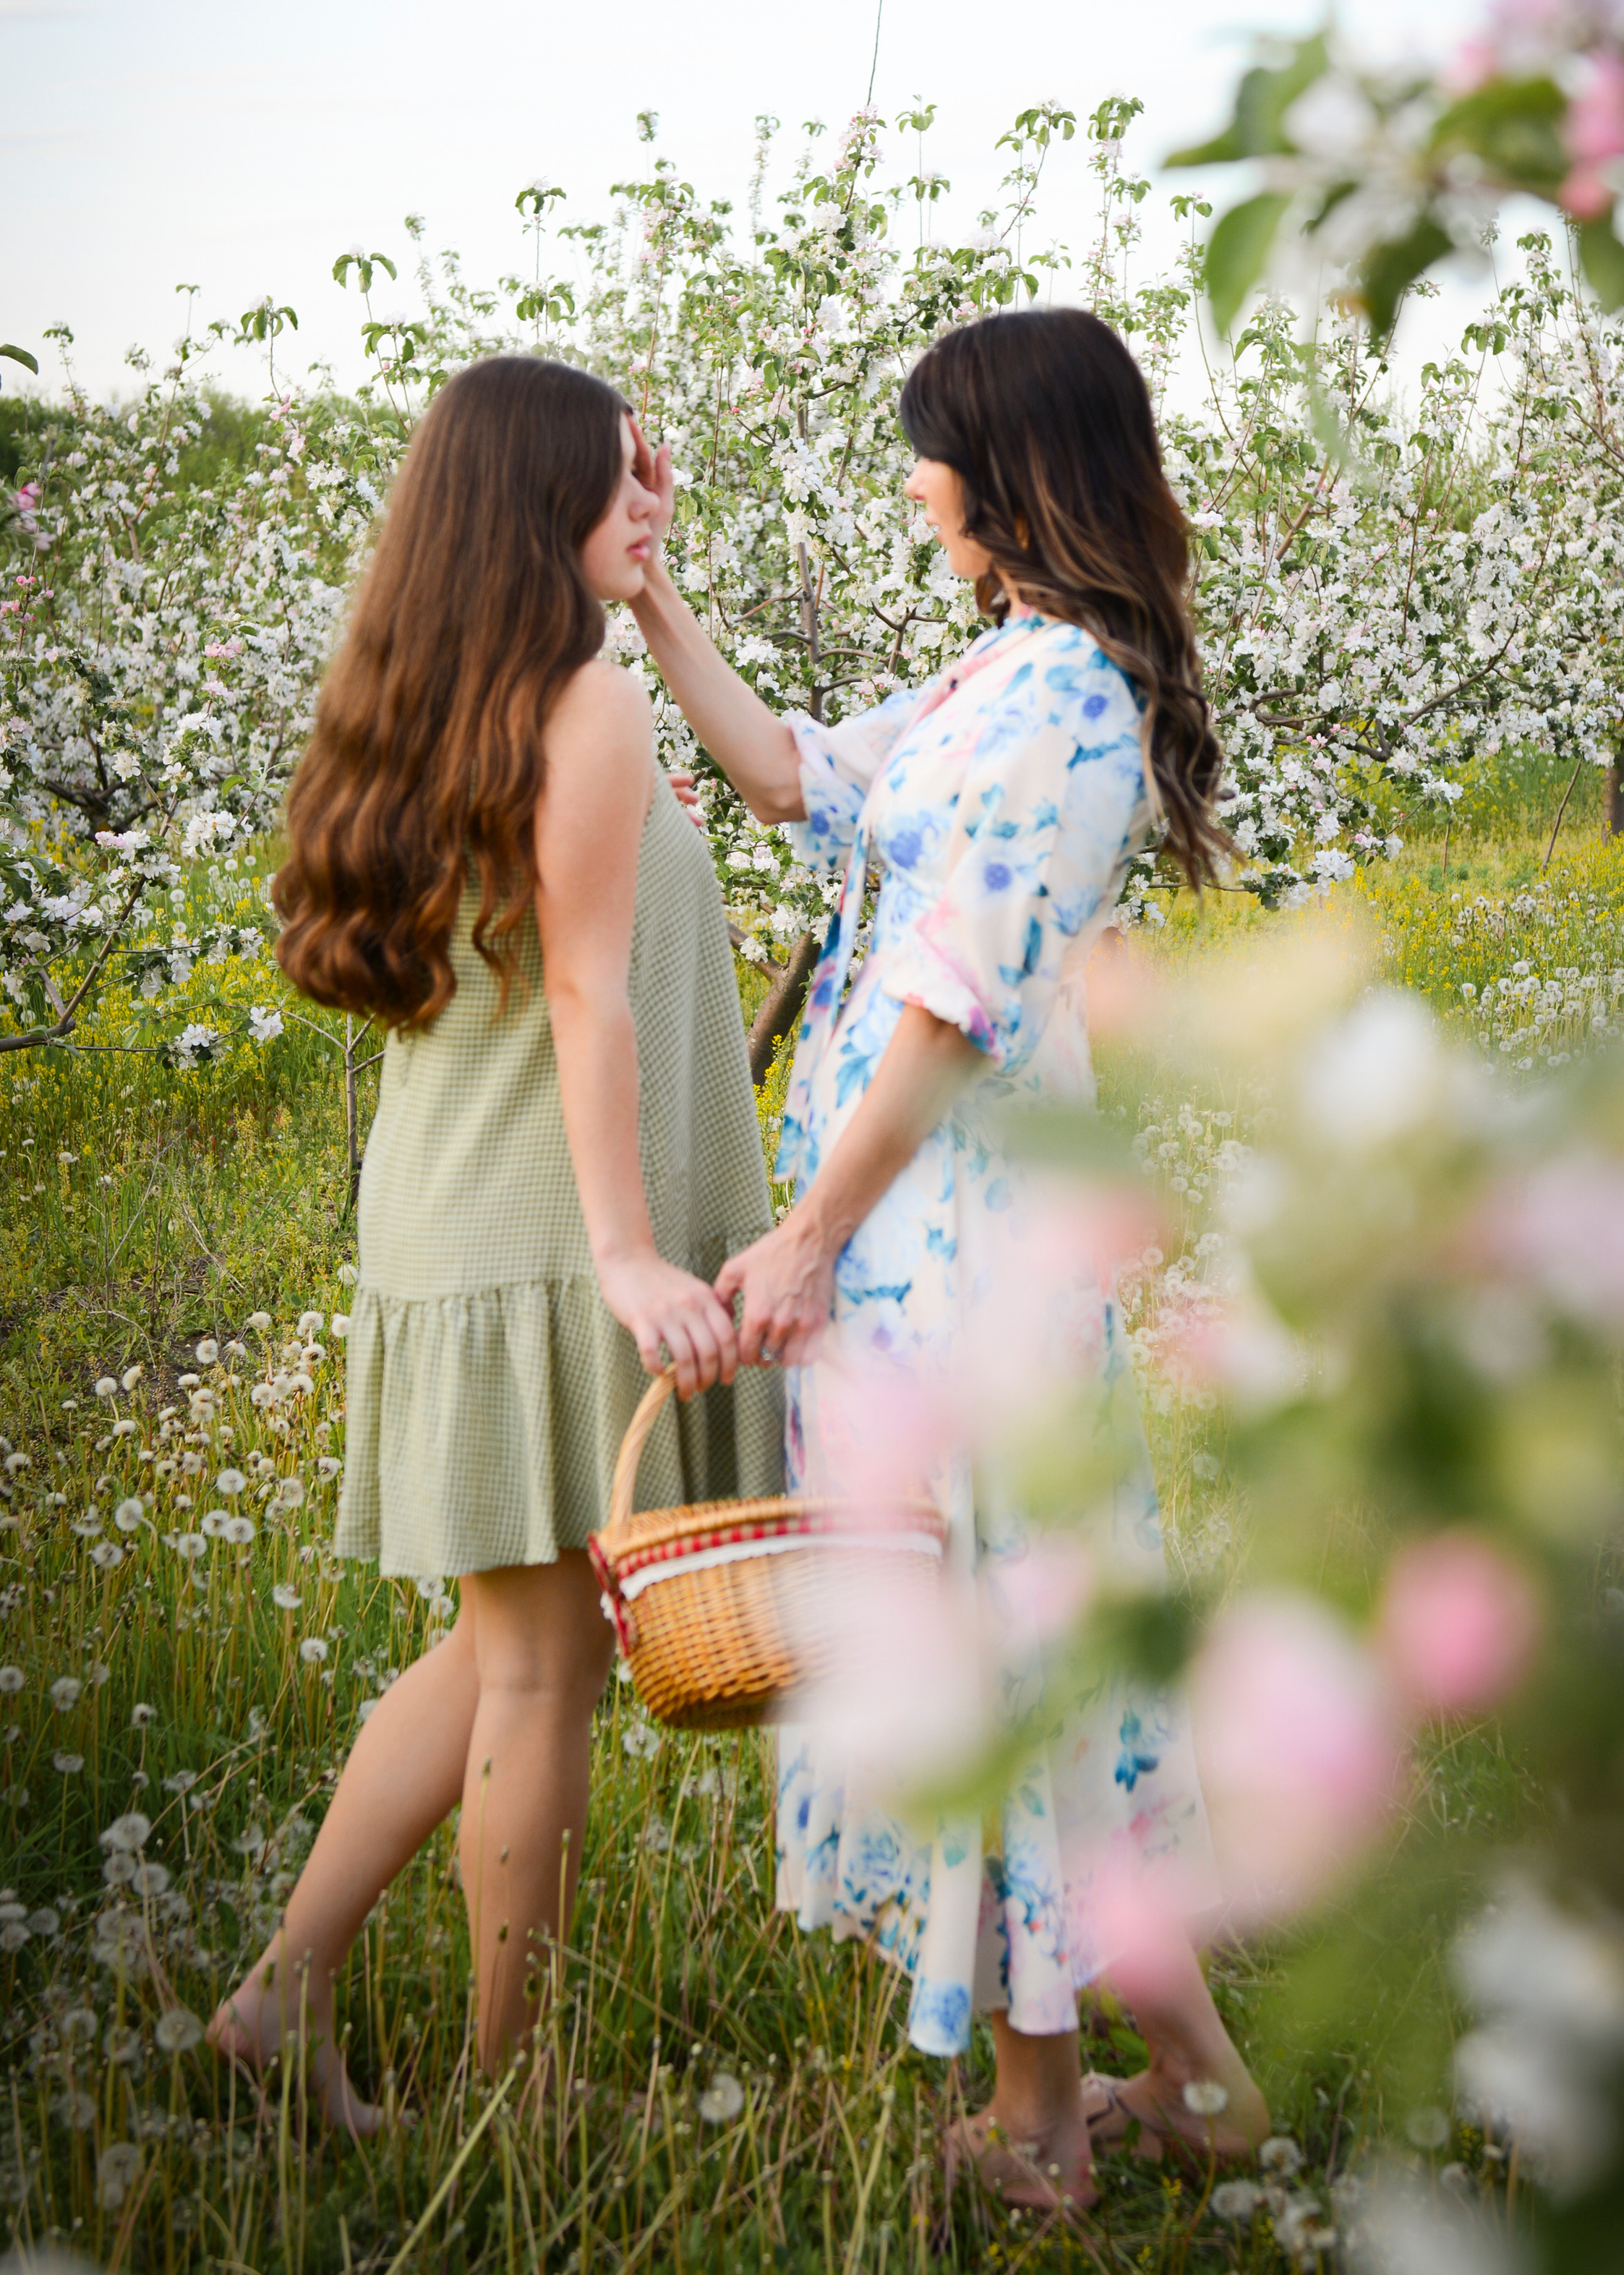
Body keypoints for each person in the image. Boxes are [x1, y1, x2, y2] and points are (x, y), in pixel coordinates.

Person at [629, 306, 1269, 2211]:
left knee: (987, 1635)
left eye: (927, 450)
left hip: (951, 1232)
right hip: (921, 1220)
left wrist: (814, 1232)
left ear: (1005, 471)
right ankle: (1206, 2085)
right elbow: (794, 780)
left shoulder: (1068, 696)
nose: (912, 484)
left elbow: (949, 992)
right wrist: (655, 600)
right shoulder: (1002, 674)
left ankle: (1044, 2131)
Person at [209, 356, 782, 2129]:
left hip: (455, 1223)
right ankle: (511, 2102)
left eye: (652, 475)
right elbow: (594, 1004)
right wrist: (629, 1253)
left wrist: (649, 569)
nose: (651, 501)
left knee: (500, 1647)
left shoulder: (430, 693)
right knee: (546, 1665)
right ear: (530, 504)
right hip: (552, 1234)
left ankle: (274, 2009)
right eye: (617, 482)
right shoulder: (582, 707)